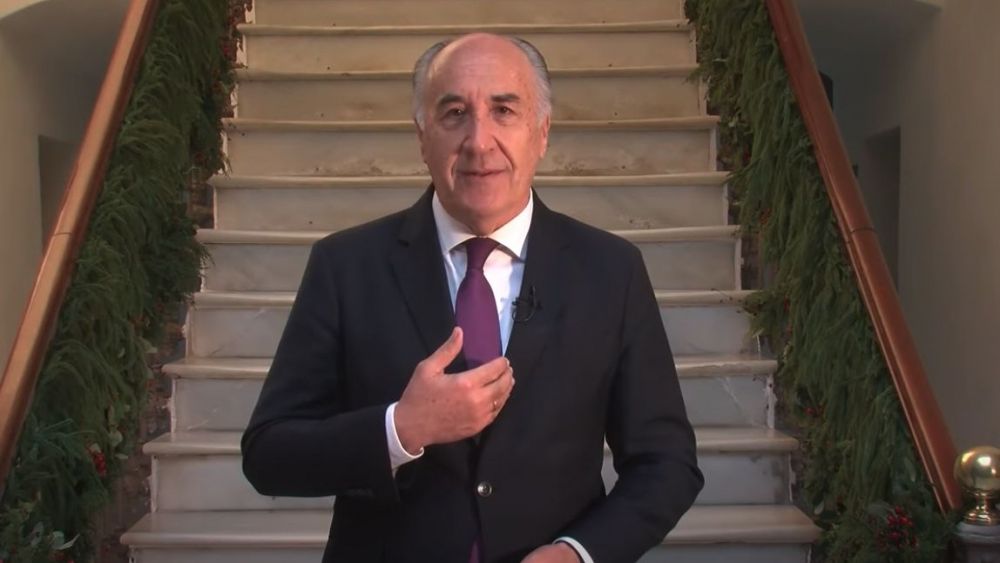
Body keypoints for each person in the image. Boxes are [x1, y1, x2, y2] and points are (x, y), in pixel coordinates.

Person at [241, 33, 703, 563]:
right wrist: (401, 428)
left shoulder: (611, 271)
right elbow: (268, 454)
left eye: (504, 110)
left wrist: (578, 554)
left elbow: (666, 463)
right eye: (455, 113)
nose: (479, 142)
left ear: (542, 132)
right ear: (422, 137)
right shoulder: (345, 266)